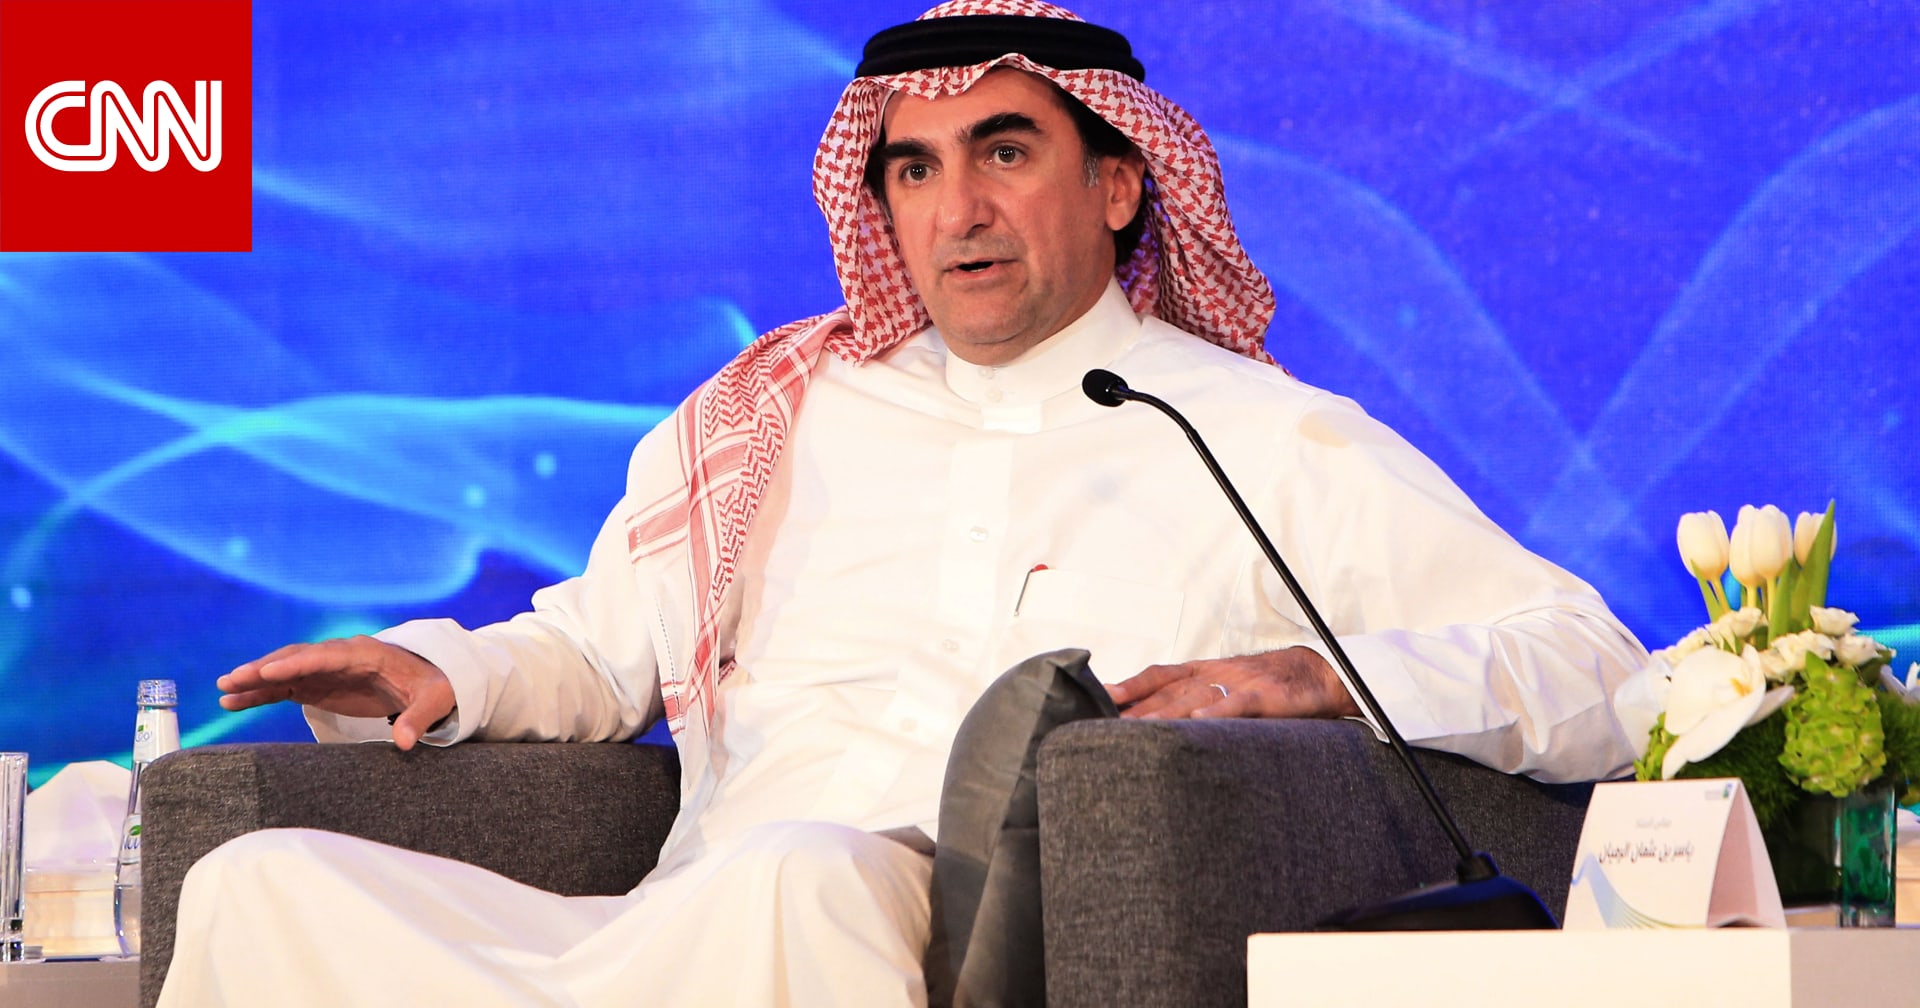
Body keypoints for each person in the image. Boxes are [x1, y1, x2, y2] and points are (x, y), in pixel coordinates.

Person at [159, 2, 1648, 1005]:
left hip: (906, 932)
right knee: (257, 886)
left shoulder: (1254, 433)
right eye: (916, 170)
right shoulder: (777, 408)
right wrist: (442, 672)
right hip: (680, 929)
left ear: (1119, 185)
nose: (958, 210)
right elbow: (601, 651)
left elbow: (1595, 667)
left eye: (1005, 151)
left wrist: (1313, 675)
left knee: (799, 880)